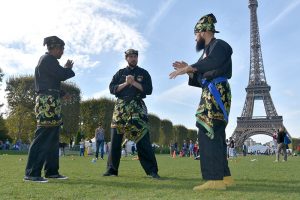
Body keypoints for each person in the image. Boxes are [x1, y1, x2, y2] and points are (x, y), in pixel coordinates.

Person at [169, 13, 234, 190]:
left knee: (207, 131)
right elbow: (201, 78)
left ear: (204, 31)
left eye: (196, 34)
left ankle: (214, 179)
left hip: (216, 92)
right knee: (217, 134)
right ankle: (224, 176)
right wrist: (190, 71)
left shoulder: (220, 45)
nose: (195, 38)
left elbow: (213, 62)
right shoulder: (207, 53)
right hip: (212, 91)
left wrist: (191, 68)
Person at [24, 36, 75, 183]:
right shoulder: (47, 60)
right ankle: (32, 173)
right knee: (43, 137)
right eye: (61, 49)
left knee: (53, 139)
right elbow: (61, 75)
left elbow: (50, 83)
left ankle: (52, 171)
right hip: (47, 103)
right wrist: (68, 69)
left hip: (51, 102)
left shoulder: (49, 62)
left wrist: (62, 94)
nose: (62, 52)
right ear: (54, 48)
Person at [103, 49, 160, 179]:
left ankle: (152, 171)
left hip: (137, 107)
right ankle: (112, 170)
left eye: (135, 56)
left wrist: (134, 83)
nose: (133, 58)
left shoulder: (143, 73)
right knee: (115, 140)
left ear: (137, 58)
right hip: (121, 107)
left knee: (143, 140)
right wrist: (126, 83)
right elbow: (112, 89)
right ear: (126, 58)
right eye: (130, 56)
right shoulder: (120, 73)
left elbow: (149, 90)